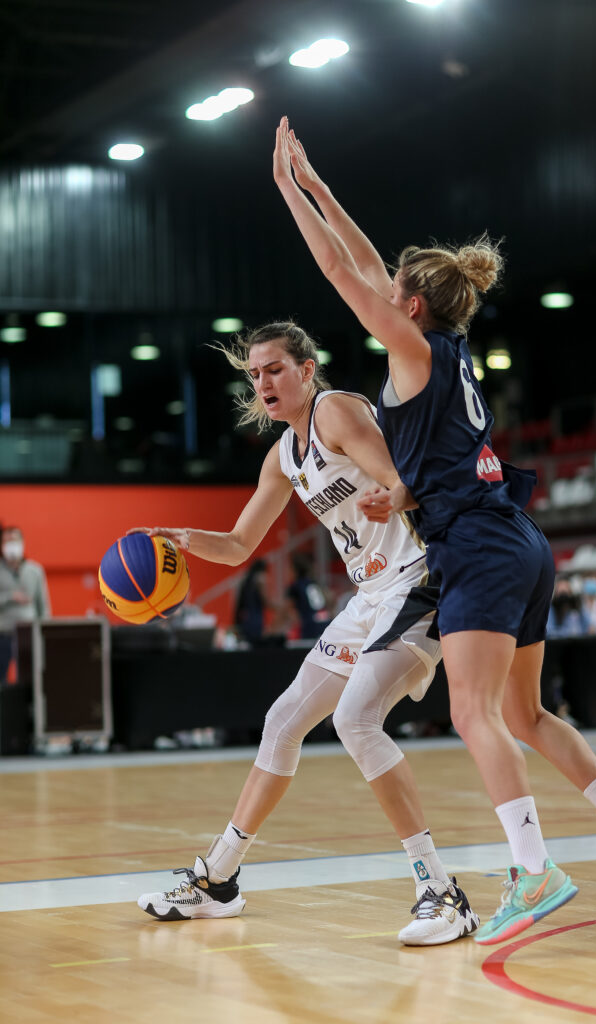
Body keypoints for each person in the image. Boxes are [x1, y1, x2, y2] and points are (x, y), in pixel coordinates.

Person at [272, 117, 596, 944]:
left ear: (409, 306)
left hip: (479, 549)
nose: (380, 292)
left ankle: (533, 871)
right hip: (517, 540)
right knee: (525, 714)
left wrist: (286, 190)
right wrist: (316, 183)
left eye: (393, 291)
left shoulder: (413, 352)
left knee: (473, 716)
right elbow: (370, 264)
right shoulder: (443, 347)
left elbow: (339, 267)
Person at [135, 321, 478, 946]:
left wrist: (390, 495)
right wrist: (187, 540)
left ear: (306, 370)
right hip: (370, 596)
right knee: (283, 720)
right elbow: (240, 545)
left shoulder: (338, 412)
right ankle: (219, 880)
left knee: (355, 720)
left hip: (420, 578)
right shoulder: (281, 457)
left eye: (274, 369)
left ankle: (441, 891)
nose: (263, 381)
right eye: (255, 373)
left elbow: (406, 483)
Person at [0, 525, 51, 683]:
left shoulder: (35, 570)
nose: (11, 545)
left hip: (29, 634)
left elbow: (43, 604)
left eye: (14, 541)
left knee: (31, 678)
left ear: (22, 543)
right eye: (7, 541)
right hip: (3, 634)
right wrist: (9, 597)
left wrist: (46, 631)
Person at [287, 551, 331, 640]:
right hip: (326, 623)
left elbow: (289, 611)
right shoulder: (314, 583)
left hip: (310, 626)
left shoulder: (295, 586)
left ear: (294, 569)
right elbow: (329, 599)